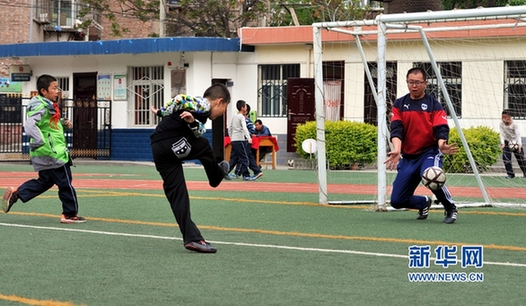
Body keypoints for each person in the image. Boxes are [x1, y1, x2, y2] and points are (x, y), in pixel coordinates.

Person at [150, 83, 231, 253]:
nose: (222, 113)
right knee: (204, 145)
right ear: (219, 101)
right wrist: (162, 112)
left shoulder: (199, 113)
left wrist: (190, 120)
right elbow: (180, 98)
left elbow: (198, 131)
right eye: (224, 109)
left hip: (158, 148)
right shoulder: (203, 105)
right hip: (171, 143)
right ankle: (216, 177)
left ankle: (192, 238)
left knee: (178, 194)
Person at [2, 74, 85, 223]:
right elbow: (30, 124)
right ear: (43, 91)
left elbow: (46, 124)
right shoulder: (41, 105)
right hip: (53, 153)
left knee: (45, 181)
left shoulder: (45, 105)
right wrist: (39, 140)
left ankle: (17, 193)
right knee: (65, 183)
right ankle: (69, 214)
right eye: (54, 88)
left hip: (47, 151)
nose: (57, 91)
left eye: (57, 88)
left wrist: (62, 123)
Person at [384, 67, 460, 224]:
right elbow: (396, 129)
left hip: (429, 152)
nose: (414, 86)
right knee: (397, 201)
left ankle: (450, 207)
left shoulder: (434, 104)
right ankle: (423, 203)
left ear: (425, 83)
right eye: (411, 82)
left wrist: (441, 144)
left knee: (432, 175)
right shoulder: (400, 104)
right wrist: (397, 150)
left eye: (417, 82)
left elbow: (441, 128)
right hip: (409, 157)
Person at [226, 100, 258, 181]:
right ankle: (246, 175)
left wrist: (231, 137)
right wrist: (249, 138)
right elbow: (244, 128)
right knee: (244, 158)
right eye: (245, 106)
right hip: (240, 139)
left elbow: (230, 128)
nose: (246, 108)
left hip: (234, 140)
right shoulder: (242, 117)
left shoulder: (234, 117)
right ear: (242, 108)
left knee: (234, 158)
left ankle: (225, 172)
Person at [499, 109, 526, 178]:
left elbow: (518, 135)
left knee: (521, 159)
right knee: (506, 157)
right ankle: (510, 174)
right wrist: (502, 143)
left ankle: (525, 172)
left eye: (505, 117)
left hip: (516, 142)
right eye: (502, 117)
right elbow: (502, 134)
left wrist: (519, 145)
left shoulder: (514, 124)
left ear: (509, 117)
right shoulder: (501, 124)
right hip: (507, 142)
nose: (504, 119)